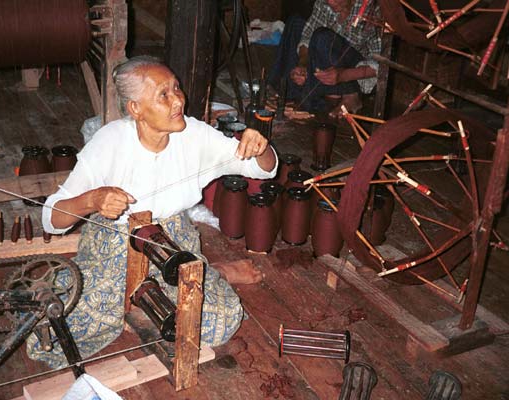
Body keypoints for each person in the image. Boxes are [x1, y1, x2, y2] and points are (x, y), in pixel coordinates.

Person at [29, 56, 277, 367]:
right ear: (135, 108)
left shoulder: (195, 135)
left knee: (223, 320)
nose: (178, 100)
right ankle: (150, 296)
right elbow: (51, 218)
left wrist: (260, 146)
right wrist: (91, 200)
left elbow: (264, 169)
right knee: (53, 333)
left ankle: (205, 275)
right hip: (116, 245)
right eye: (163, 94)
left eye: (176, 88)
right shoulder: (109, 142)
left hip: (173, 242)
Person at [267, 0, 382, 117]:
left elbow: (381, 65)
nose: (331, 2)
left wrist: (343, 75)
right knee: (295, 23)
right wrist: (303, 63)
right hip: (327, 66)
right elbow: (307, 36)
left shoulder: (373, 8)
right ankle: (286, 91)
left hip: (354, 74)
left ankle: (350, 96)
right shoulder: (323, 3)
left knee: (322, 37)